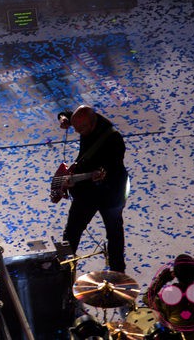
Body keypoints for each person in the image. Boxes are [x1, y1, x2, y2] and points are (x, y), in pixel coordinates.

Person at [58, 105, 128, 272]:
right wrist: (63, 117)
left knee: (114, 232)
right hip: (86, 190)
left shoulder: (114, 141)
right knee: (72, 231)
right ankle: (64, 269)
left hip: (110, 192)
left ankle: (118, 271)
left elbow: (110, 169)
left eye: (81, 129)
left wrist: (89, 177)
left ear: (92, 123)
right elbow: (69, 113)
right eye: (75, 127)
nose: (77, 132)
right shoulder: (85, 119)